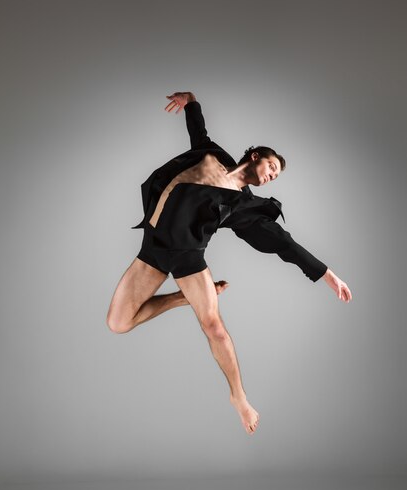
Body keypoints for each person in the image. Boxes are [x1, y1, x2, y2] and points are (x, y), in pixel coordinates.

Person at [106, 91, 352, 435]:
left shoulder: (242, 205)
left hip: (188, 257)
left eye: (276, 176)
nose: (271, 176)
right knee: (118, 323)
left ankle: (238, 397)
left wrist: (328, 275)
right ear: (254, 156)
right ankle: (183, 299)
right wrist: (191, 101)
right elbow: (198, 130)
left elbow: (285, 243)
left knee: (213, 327)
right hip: (153, 248)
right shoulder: (210, 155)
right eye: (271, 167)